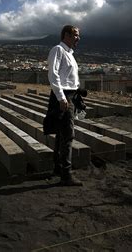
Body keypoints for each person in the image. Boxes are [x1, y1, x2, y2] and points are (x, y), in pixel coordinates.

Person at [46, 24, 83, 186]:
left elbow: (68, 77)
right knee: (68, 134)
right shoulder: (58, 50)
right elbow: (53, 75)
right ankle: (66, 175)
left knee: (61, 134)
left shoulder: (70, 54)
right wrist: (62, 98)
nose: (78, 38)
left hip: (71, 96)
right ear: (66, 35)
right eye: (75, 35)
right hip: (63, 97)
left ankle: (58, 168)